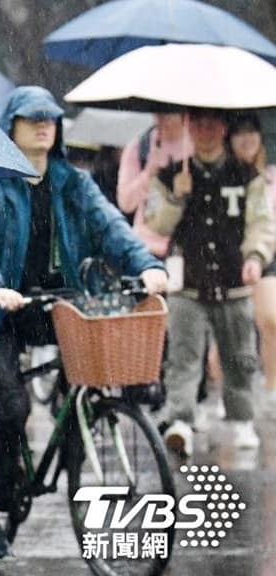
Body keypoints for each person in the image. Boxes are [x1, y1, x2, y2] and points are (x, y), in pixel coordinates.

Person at [0, 86, 166, 562]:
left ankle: (72, 455)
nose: (44, 124)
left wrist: (147, 264)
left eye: (50, 118)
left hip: (52, 304)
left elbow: (111, 227)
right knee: (12, 409)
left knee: (90, 381)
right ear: (11, 126)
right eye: (31, 118)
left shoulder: (72, 182)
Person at [146, 108, 275, 456]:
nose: (205, 131)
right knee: (184, 356)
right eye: (198, 124)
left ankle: (242, 418)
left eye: (212, 124)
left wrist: (255, 256)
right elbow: (155, 223)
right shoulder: (171, 174)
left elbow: (262, 223)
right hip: (187, 280)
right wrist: (177, 197)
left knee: (239, 353)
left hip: (234, 279)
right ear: (190, 128)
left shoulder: (246, 175)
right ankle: (181, 419)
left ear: (223, 129)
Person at [226, 112, 276, 414]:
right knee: (227, 335)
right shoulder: (223, 176)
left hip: (267, 254)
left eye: (252, 132)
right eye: (239, 132)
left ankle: (272, 388)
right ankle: (224, 397)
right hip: (227, 255)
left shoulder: (270, 176)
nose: (247, 139)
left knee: (271, 319)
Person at [117, 112, 194, 258]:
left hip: (190, 248)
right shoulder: (140, 147)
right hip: (147, 248)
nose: (162, 116)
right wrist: (148, 173)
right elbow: (126, 203)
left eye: (169, 110)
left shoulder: (199, 142)